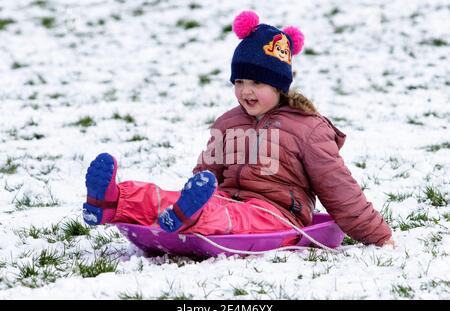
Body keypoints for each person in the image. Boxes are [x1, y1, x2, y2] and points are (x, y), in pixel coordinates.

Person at [82, 11, 395, 247]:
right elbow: (204, 176)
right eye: (239, 82)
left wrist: (379, 236)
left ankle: (192, 217)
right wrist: (196, 193)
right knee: (163, 197)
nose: (246, 91)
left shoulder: (308, 129)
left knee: (236, 218)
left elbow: (340, 188)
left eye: (257, 82)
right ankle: (112, 201)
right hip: (224, 199)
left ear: (279, 85)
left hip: (275, 214)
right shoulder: (228, 122)